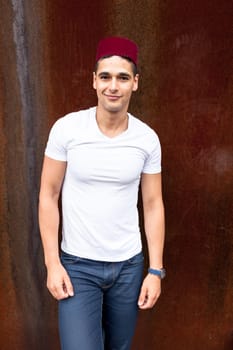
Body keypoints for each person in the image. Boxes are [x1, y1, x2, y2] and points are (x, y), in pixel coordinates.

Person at [39, 36, 165, 350]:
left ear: (135, 83)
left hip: (128, 267)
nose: (113, 85)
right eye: (105, 76)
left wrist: (155, 270)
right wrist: (53, 264)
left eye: (123, 77)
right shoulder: (67, 130)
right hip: (78, 266)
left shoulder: (146, 139)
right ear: (94, 80)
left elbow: (152, 205)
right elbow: (48, 195)